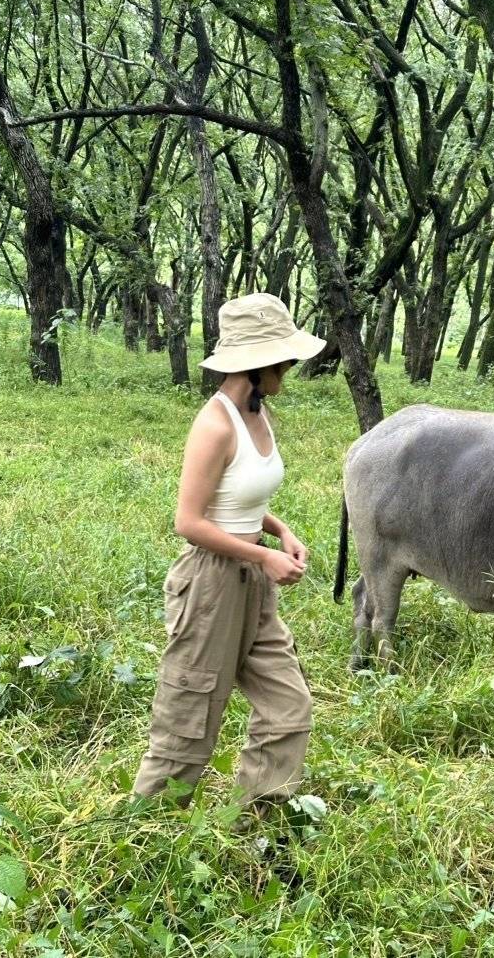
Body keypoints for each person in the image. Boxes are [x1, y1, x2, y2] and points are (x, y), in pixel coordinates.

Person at [133, 293, 326, 818]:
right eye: (284, 360)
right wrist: (260, 557)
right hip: (213, 583)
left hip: (253, 581)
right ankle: (143, 840)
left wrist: (280, 530)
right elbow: (190, 522)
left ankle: (254, 828)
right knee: (189, 721)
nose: (289, 369)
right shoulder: (215, 423)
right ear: (258, 364)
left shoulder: (259, 414)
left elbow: (242, 495)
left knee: (289, 708)